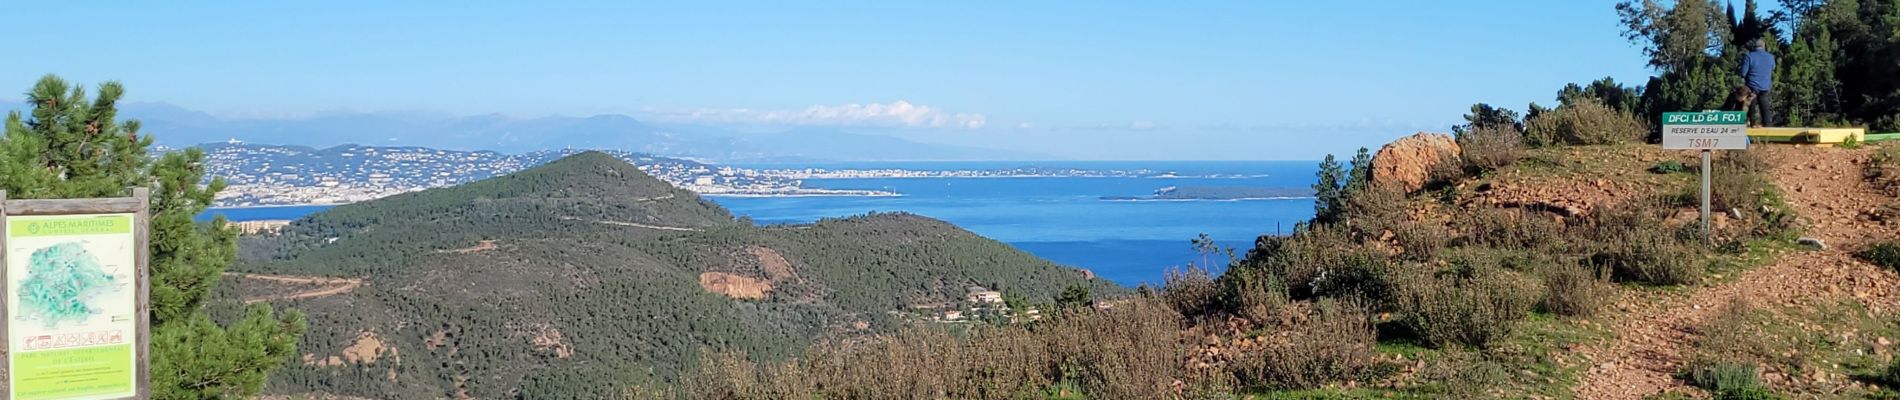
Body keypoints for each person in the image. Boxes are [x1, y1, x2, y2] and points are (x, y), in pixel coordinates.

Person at [1740, 38, 1777, 127]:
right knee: (1765, 107)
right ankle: (1768, 125)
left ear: (1754, 47)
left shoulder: (1749, 56)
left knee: (1751, 106)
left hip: (1752, 86)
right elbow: (1773, 68)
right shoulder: (1770, 57)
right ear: (1764, 46)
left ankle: (1752, 124)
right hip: (1765, 86)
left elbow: (1743, 73)